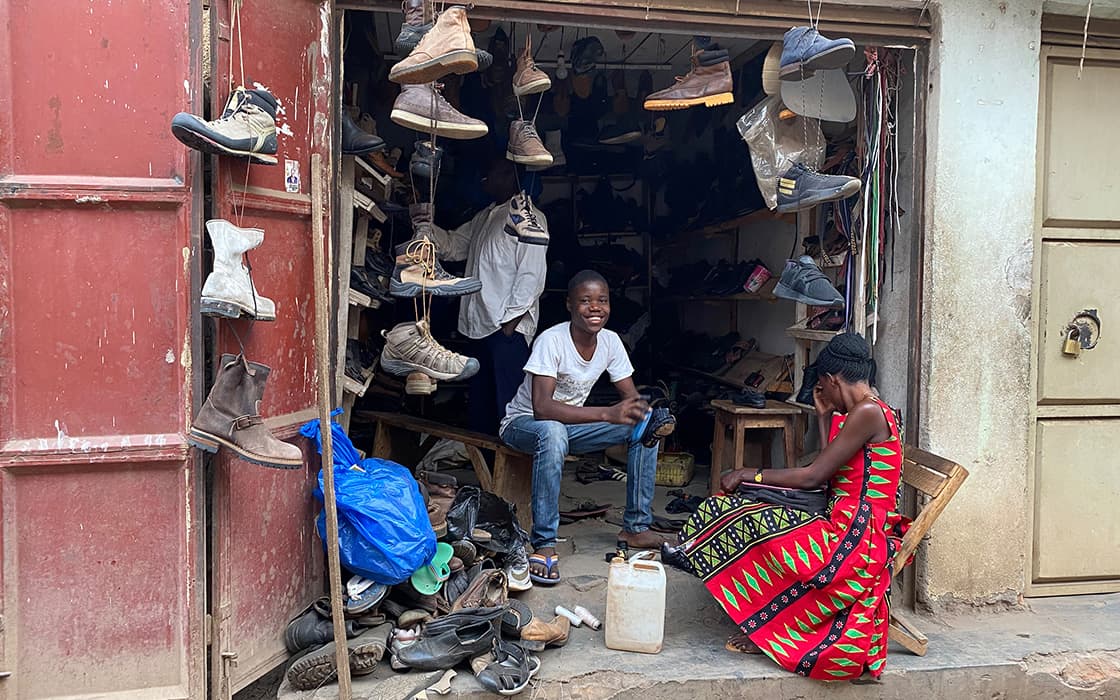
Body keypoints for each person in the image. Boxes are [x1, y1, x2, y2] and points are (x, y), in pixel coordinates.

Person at [675, 332, 909, 681]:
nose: (823, 395)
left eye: (822, 389)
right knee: (743, 513)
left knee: (751, 523)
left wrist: (749, 473)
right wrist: (822, 415)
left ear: (831, 380)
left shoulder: (868, 413)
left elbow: (814, 475)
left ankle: (768, 626)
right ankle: (759, 616)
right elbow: (836, 468)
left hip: (856, 539)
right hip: (849, 523)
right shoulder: (867, 410)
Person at [499, 270, 667, 585]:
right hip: (524, 424)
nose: (595, 308)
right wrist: (607, 414)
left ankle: (636, 527)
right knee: (552, 430)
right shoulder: (552, 340)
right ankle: (544, 542)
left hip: (568, 429)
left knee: (644, 425)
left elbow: (631, 401)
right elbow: (543, 408)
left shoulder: (611, 341)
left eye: (602, 300)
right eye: (585, 301)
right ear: (569, 304)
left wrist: (648, 415)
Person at [426, 159, 548, 435]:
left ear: (509, 175)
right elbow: (455, 246)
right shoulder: (486, 216)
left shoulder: (529, 218)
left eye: (488, 173)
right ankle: (487, 472)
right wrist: (426, 227)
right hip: (479, 327)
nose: (483, 180)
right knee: (481, 409)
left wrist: (511, 323)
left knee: (509, 408)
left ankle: (513, 475)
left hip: (505, 330)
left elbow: (532, 274)